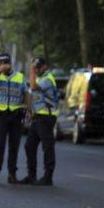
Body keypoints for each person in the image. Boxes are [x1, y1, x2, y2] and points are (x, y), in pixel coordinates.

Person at [0, 54, 27, 185]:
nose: (4, 64)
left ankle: (12, 174)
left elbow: (26, 93)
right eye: (1, 62)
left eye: (6, 62)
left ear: (11, 63)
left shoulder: (19, 76)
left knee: (14, 146)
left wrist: (29, 109)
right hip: (1, 115)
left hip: (16, 115)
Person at [21, 57, 59, 186]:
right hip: (38, 117)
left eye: (38, 67)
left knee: (47, 146)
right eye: (35, 68)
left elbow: (33, 87)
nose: (36, 70)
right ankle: (31, 176)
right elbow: (33, 96)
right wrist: (30, 112)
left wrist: (30, 69)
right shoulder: (39, 78)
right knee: (29, 146)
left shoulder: (48, 79)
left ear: (45, 67)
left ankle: (48, 177)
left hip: (46, 117)